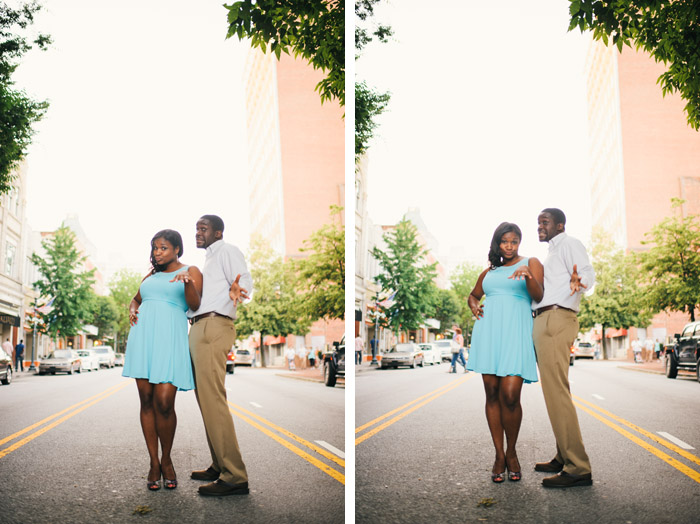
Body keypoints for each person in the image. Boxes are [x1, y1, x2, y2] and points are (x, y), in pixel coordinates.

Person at [123, 229, 202, 491]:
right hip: (143, 338)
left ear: (177, 249)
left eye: (163, 248)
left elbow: (194, 305)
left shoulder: (191, 271)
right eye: (155, 247)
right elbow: (136, 300)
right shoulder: (151, 275)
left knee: (165, 403)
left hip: (170, 340)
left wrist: (187, 282)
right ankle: (154, 463)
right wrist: (133, 311)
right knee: (146, 401)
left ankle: (167, 459)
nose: (157, 252)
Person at [467, 222, 543, 483]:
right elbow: (474, 295)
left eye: (514, 241)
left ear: (519, 242)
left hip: (516, 334)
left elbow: (539, 295)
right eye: (504, 242)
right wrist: (474, 306)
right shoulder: (490, 271)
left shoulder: (531, 263)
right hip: (489, 334)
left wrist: (528, 275)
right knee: (491, 393)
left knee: (510, 395)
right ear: (497, 243)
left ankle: (512, 452)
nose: (509, 246)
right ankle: (499, 455)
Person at [185, 215, 253, 497]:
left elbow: (244, 281)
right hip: (201, 326)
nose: (198, 233)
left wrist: (240, 291)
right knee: (206, 400)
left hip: (214, 325)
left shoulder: (227, 251)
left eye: (203, 229)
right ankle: (219, 464)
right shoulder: (209, 260)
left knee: (214, 399)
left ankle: (234, 476)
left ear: (218, 232)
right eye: (196, 229)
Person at [531, 208, 595, 488]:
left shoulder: (569, 244)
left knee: (556, 392)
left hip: (557, 318)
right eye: (538, 223)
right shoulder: (552, 252)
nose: (540, 227)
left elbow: (587, 274)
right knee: (555, 391)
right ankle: (563, 455)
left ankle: (577, 467)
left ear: (560, 224)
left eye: (544, 222)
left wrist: (582, 283)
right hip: (547, 318)